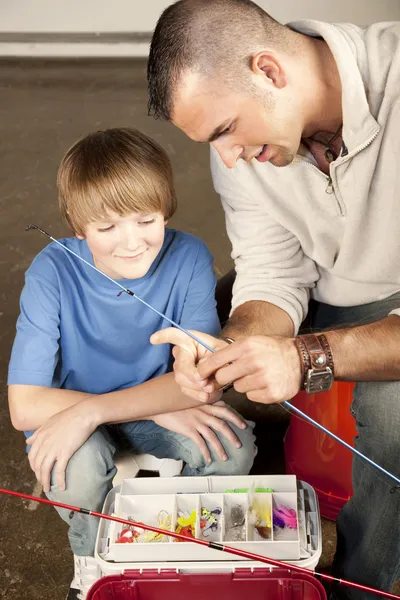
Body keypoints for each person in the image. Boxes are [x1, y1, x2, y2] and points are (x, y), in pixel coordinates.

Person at [146, 1, 400, 598]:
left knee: (393, 422)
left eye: (224, 131)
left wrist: (303, 357)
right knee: (215, 314)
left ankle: (363, 585)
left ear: (269, 70)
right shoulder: (246, 145)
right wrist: (236, 344)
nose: (227, 155)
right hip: (330, 292)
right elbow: (270, 270)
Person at [7, 127, 256, 599]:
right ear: (78, 228)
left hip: (129, 409)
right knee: (75, 474)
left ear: (165, 208)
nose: (132, 242)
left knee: (234, 447)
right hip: (87, 411)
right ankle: (92, 556)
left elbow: (201, 383)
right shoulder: (51, 271)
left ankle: (180, 550)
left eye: (146, 220)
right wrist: (136, 406)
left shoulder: (188, 258)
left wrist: (101, 409)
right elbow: (24, 406)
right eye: (106, 228)